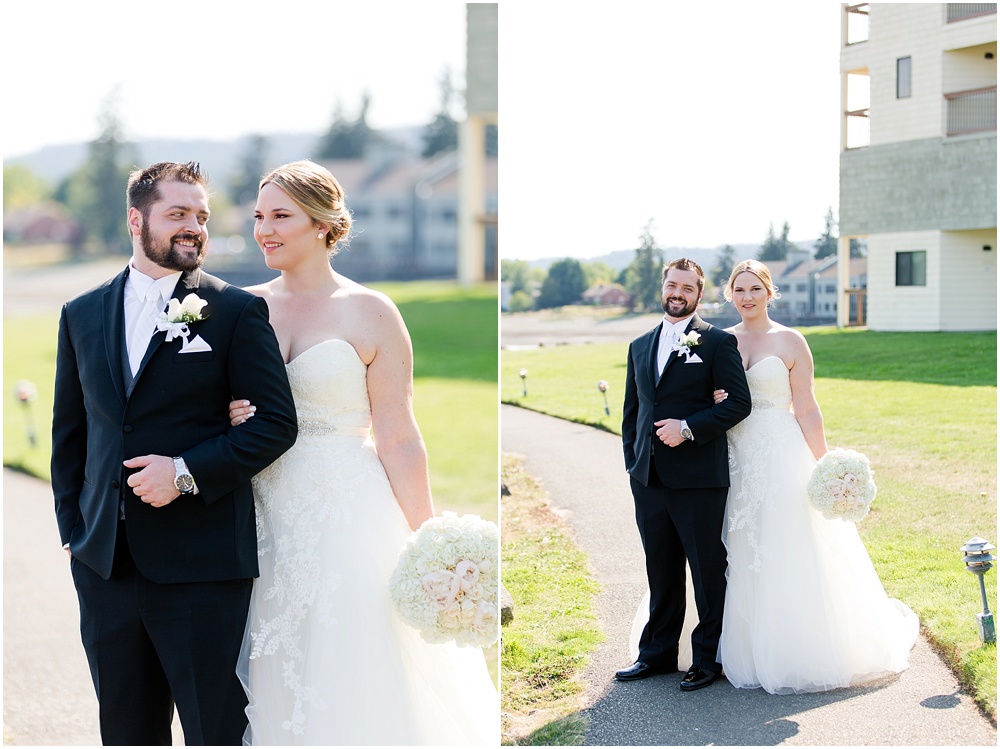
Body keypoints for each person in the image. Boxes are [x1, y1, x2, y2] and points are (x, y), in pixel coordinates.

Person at [227, 160, 498, 745]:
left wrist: (432, 544)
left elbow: (398, 435)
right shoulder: (238, 307)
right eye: (258, 216)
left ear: (325, 224)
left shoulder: (370, 312)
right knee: (270, 662)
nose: (264, 229)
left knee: (352, 661)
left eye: (281, 215)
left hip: (344, 513)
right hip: (252, 512)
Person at [51, 161, 299, 745]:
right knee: (126, 732)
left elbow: (275, 426)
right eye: (178, 214)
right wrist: (75, 531)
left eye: (202, 217)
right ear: (137, 219)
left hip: (202, 567)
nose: (194, 227)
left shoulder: (235, 311)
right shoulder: (81, 313)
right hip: (106, 567)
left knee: (214, 730)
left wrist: (184, 474)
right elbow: (72, 434)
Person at [715, 259, 918, 694]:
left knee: (788, 541)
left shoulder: (790, 340)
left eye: (755, 288)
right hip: (732, 455)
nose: (747, 296)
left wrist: (826, 464)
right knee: (736, 544)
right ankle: (735, 643)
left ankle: (795, 649)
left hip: (780, 453)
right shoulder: (720, 341)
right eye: (739, 289)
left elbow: (805, 406)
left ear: (770, 292)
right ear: (729, 294)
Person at [617, 258, 752, 691]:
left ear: (699, 293)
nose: (678, 293)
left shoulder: (716, 343)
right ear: (663, 287)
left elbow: (737, 404)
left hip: (698, 479)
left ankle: (708, 660)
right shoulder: (639, 345)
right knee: (660, 569)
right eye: (672, 284)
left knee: (707, 572)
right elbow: (632, 414)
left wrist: (688, 428)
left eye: (687, 287)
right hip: (648, 480)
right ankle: (656, 655)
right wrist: (633, 463)